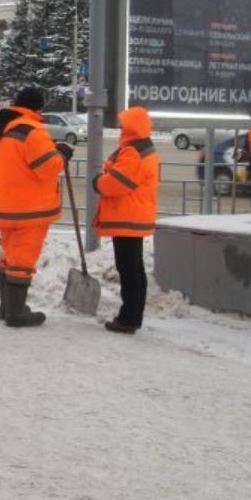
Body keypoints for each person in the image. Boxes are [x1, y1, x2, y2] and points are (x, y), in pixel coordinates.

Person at [0, 86, 70, 327]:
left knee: (9, 257)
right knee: (22, 260)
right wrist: (62, 154)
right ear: (38, 107)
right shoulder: (32, 131)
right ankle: (16, 312)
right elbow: (48, 166)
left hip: (5, 206)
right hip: (30, 209)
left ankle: (6, 306)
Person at [92, 106, 160, 335]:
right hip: (134, 215)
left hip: (127, 216)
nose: (121, 126)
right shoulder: (143, 147)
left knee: (129, 269)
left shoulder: (133, 151)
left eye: (124, 123)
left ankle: (128, 318)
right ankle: (133, 316)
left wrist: (98, 182)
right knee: (134, 268)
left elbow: (117, 183)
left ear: (132, 126)